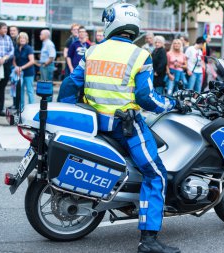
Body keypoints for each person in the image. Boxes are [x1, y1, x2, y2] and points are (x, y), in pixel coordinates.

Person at [70, 2, 188, 252]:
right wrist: (171, 103)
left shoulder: (92, 52)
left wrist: (70, 113)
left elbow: (71, 85)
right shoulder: (139, 54)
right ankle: (148, 240)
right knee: (155, 173)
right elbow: (146, 98)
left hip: (95, 124)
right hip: (126, 127)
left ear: (111, 23)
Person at [13, 32, 35, 110]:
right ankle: (21, 109)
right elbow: (14, 60)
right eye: (20, 38)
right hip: (19, 73)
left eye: (24, 38)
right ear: (18, 39)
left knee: (29, 91)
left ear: (26, 40)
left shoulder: (28, 48)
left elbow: (32, 61)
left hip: (28, 73)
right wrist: (16, 67)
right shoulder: (16, 48)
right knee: (20, 91)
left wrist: (21, 68)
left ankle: (32, 109)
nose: (22, 39)